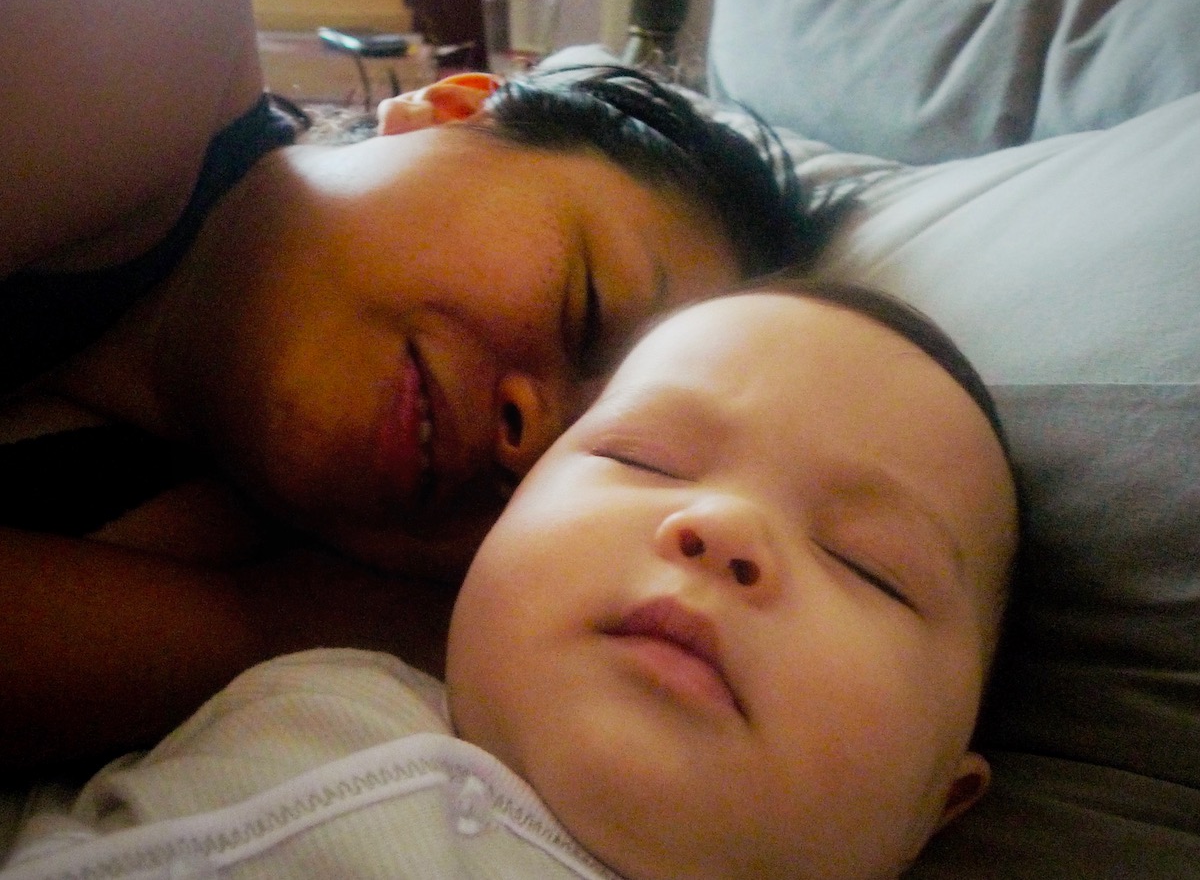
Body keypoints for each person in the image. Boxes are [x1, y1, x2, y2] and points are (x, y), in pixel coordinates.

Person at [0, 0, 823, 774]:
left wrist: (282, 620)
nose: (530, 443)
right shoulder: (143, 41)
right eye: (584, 312)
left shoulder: (204, 540)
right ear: (453, 108)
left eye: (599, 456)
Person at [2, 284, 1020, 880]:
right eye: (644, 458)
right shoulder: (283, 696)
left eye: (869, 567)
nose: (722, 528)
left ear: (940, 804)